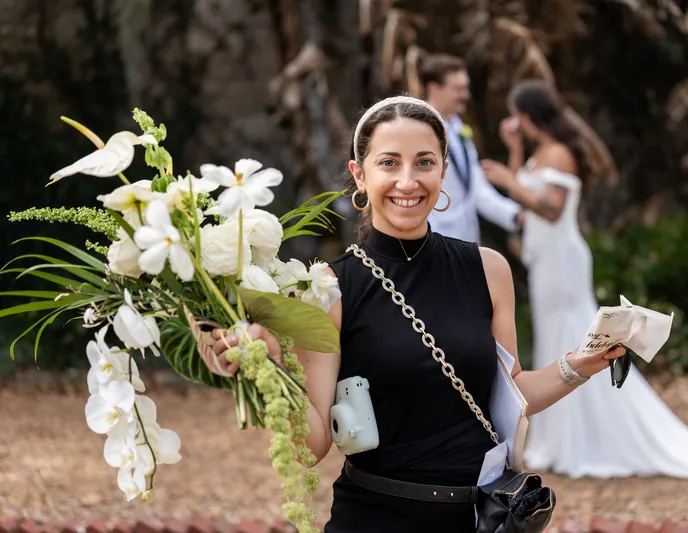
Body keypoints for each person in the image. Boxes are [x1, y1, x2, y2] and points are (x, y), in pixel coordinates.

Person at [205, 95, 627, 532]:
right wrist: (264, 369)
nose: (408, 181)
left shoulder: (488, 270)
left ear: (444, 171)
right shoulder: (329, 289)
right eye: (389, 163)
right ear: (359, 176)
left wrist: (580, 365)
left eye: (424, 163)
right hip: (374, 520)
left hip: (476, 520)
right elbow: (312, 446)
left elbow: (511, 392)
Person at [481, 79, 688, 482]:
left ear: (528, 116)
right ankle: (562, 437)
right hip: (544, 260)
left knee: (574, 337)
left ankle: (587, 438)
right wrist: (513, 155)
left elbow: (550, 209)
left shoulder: (560, 154)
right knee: (554, 338)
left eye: (516, 116)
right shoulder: (538, 155)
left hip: (562, 259)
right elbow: (523, 195)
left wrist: (509, 183)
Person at [419, 54, 522, 244]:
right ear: (434, 88)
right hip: (432, 238)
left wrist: (515, 215)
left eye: (466, 88)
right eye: (458, 89)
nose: (466, 95)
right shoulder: (419, 129)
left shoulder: (459, 128)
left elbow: (475, 187)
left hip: (466, 239)